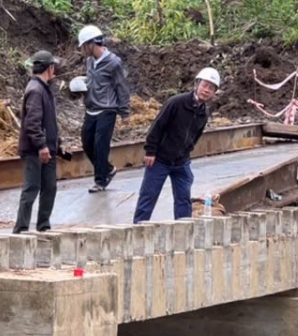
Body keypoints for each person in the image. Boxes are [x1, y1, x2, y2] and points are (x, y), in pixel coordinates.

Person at [133, 68, 221, 223]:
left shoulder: (204, 113)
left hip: (181, 162)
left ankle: (183, 231)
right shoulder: (176, 102)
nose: (206, 90)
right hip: (160, 159)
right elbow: (157, 126)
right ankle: (137, 230)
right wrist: (151, 151)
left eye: (211, 88)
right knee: (148, 197)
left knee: (183, 199)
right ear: (197, 84)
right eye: (205, 85)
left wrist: (186, 152)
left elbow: (196, 135)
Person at [13, 51, 67, 233]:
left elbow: (49, 122)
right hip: (35, 151)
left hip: (46, 149)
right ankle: (20, 229)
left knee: (49, 187)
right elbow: (32, 123)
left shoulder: (43, 89)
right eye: (54, 67)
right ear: (49, 68)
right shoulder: (36, 90)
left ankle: (43, 225)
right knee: (32, 188)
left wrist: (56, 145)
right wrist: (41, 146)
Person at [78, 25, 132, 193]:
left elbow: (121, 87)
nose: (83, 50)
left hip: (107, 110)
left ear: (92, 44)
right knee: (87, 143)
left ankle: (100, 181)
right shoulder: (89, 62)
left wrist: (124, 112)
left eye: (84, 46)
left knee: (101, 146)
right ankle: (108, 169)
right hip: (91, 108)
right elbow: (91, 82)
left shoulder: (113, 63)